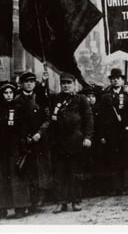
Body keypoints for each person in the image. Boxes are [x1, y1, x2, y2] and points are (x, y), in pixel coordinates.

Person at [50, 73, 93, 213]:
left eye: (68, 83)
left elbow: (88, 119)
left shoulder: (80, 99)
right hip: (60, 142)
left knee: (75, 173)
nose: (66, 85)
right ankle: (61, 202)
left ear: (74, 84)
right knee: (60, 174)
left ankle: (76, 201)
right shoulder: (56, 99)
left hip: (75, 140)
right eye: (63, 83)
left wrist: (88, 137)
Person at [0, 82, 31, 219]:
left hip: (14, 146)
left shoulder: (18, 108)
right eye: (5, 93)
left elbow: (24, 127)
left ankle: (20, 207)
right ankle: (2, 209)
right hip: (0, 148)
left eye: (10, 93)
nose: (8, 95)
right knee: (1, 178)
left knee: (16, 176)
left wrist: (22, 144)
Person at [14, 71, 53, 214]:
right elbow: (16, 122)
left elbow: (47, 119)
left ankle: (36, 203)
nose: (29, 84)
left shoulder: (40, 98)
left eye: (32, 81)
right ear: (22, 84)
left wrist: (40, 133)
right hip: (23, 142)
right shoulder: (17, 100)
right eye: (26, 82)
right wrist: (24, 137)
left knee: (38, 172)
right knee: (24, 172)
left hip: (39, 141)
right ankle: (25, 202)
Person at [98, 68, 128, 195]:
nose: (115, 80)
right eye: (113, 78)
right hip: (111, 132)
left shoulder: (127, 94)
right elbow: (101, 116)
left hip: (125, 131)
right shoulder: (106, 96)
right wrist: (103, 134)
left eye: (118, 78)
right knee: (112, 159)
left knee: (125, 159)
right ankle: (115, 187)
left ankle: (125, 186)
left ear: (122, 80)